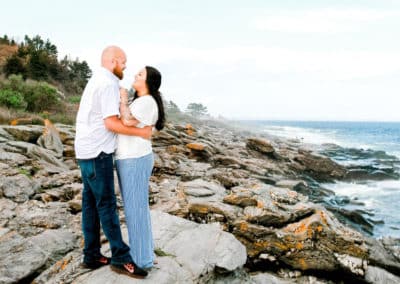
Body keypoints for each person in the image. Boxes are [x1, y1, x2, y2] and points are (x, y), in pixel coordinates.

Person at [74, 46, 150, 278]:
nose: (126, 66)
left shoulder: (97, 78)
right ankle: (121, 257)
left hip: (85, 151)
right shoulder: (107, 83)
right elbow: (110, 123)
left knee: (90, 205)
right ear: (114, 60)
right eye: (124, 62)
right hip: (98, 153)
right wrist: (142, 132)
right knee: (106, 205)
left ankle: (92, 255)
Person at [115, 66, 165, 270]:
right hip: (133, 157)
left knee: (135, 211)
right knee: (139, 210)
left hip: (134, 159)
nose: (135, 75)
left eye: (140, 74)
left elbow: (126, 120)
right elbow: (129, 123)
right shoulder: (142, 101)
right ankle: (146, 254)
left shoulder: (145, 101)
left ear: (149, 82)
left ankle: (141, 260)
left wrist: (123, 97)